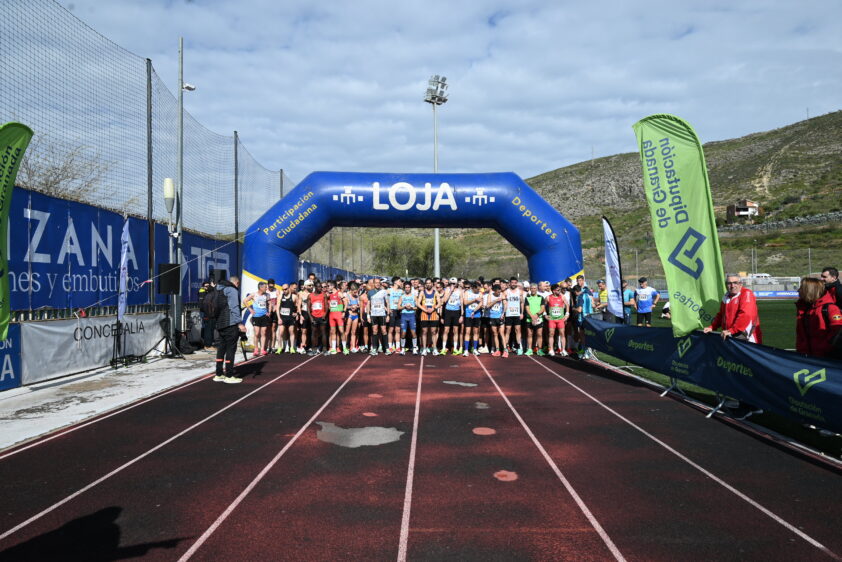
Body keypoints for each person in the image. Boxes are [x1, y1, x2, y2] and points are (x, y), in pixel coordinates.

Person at [704, 273, 762, 343]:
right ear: (726, 285)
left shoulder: (746, 294)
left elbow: (745, 315)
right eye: (729, 283)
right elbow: (721, 315)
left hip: (747, 338)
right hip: (731, 335)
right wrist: (712, 327)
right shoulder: (726, 296)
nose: (732, 286)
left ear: (740, 284)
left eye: (735, 283)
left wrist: (732, 330)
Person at [795, 277, 842, 359]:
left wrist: (824, 348)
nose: (798, 290)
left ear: (810, 290)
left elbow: (837, 333)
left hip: (824, 358)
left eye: (801, 288)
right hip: (805, 357)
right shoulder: (803, 309)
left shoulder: (830, 308)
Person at [214, 276, 247, 384]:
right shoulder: (232, 290)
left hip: (220, 323)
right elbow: (234, 307)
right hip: (230, 323)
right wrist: (239, 323)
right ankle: (229, 375)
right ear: (237, 283)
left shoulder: (219, 289)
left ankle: (219, 374)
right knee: (230, 350)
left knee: (221, 349)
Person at [243, 281, 271, 356]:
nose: (266, 288)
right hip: (256, 316)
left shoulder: (267, 295)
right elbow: (245, 301)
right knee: (257, 333)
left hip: (264, 316)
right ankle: (256, 349)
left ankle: (262, 349)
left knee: (263, 332)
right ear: (260, 288)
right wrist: (250, 309)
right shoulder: (254, 294)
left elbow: (269, 304)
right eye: (265, 287)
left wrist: (269, 312)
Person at [502, 276, 524, 357]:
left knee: (517, 330)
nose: (513, 284)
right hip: (508, 314)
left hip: (517, 314)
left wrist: (522, 313)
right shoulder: (506, 292)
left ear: (517, 283)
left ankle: (519, 347)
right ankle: (506, 348)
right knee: (508, 330)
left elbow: (522, 302)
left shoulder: (520, 292)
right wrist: (504, 313)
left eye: (515, 283)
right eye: (512, 283)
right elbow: (504, 304)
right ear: (510, 283)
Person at [546, 283, 569, 357]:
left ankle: (563, 350)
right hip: (552, 319)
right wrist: (545, 315)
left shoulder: (562, 297)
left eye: (560, 290)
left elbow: (567, 305)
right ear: (553, 291)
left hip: (560, 319)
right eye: (558, 290)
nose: (559, 291)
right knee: (551, 334)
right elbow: (543, 305)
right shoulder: (548, 297)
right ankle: (551, 350)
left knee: (562, 334)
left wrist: (567, 314)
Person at [417, 278, 439, 356]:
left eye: (429, 283)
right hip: (424, 314)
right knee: (424, 331)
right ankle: (424, 348)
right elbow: (418, 303)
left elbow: (439, 302)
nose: (428, 284)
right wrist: (425, 309)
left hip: (433, 313)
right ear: (425, 284)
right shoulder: (422, 292)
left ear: (432, 284)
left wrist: (433, 308)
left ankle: (434, 348)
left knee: (433, 331)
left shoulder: (435, 292)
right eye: (427, 283)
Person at [367, 280, 390, 356]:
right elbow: (368, 304)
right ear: (373, 284)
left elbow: (387, 303)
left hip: (382, 314)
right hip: (373, 314)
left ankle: (386, 348)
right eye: (376, 283)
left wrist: (388, 315)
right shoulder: (370, 292)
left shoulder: (384, 291)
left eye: (379, 283)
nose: (377, 284)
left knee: (384, 330)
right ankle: (374, 348)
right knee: (374, 331)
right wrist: (368, 315)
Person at [524, 282, 546, 356]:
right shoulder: (527, 298)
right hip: (529, 319)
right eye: (532, 288)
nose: (533, 290)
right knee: (530, 334)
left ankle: (539, 350)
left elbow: (542, 308)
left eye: (534, 288)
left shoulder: (541, 297)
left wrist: (536, 315)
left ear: (537, 289)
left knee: (539, 334)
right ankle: (530, 349)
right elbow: (527, 308)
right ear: (530, 289)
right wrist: (532, 316)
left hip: (539, 319)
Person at [462, 281, 483, 356]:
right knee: (467, 332)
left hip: (476, 314)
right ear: (473, 288)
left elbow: (481, 303)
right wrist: (474, 300)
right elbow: (465, 303)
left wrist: (474, 311)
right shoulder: (467, 293)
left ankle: (475, 349)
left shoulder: (480, 293)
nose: (478, 290)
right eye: (477, 289)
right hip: (468, 314)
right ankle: (466, 350)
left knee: (476, 332)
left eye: (479, 289)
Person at [276, 284, 298, 353]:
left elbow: (298, 306)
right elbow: (277, 308)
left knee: (291, 332)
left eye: (285, 289)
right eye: (283, 289)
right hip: (282, 318)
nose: (284, 291)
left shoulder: (294, 296)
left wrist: (296, 313)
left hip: (291, 318)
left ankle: (292, 348)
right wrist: (279, 318)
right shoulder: (280, 296)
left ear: (288, 288)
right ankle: (279, 348)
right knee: (280, 333)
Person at [308, 281, 328, 355]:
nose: (320, 288)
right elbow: (308, 308)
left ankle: (324, 349)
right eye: (319, 287)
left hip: (322, 316)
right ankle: (314, 349)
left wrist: (324, 315)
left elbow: (326, 306)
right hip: (314, 316)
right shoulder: (310, 296)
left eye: (321, 287)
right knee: (314, 333)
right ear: (315, 287)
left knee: (323, 333)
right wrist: (311, 317)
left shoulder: (324, 295)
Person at [399, 282, 419, 355]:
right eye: (406, 287)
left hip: (412, 316)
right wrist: (404, 307)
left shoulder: (414, 296)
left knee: (413, 332)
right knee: (403, 333)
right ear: (404, 288)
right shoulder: (402, 297)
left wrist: (411, 307)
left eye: (408, 287)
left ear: (410, 288)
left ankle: (414, 348)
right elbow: (398, 307)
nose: (407, 289)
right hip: (404, 316)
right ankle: (402, 349)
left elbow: (417, 307)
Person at [198, 279, 215, 350]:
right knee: (207, 328)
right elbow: (202, 304)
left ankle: (208, 343)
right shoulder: (202, 292)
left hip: (208, 313)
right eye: (206, 286)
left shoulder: (209, 293)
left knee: (209, 328)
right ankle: (207, 344)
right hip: (206, 313)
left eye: (208, 286)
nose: (207, 287)